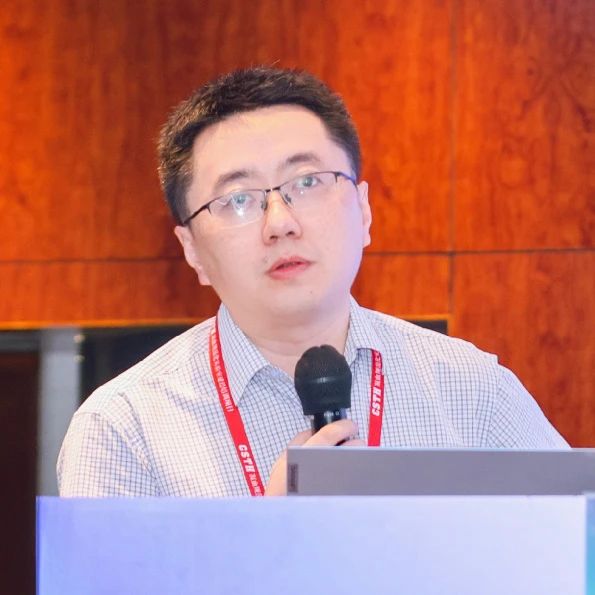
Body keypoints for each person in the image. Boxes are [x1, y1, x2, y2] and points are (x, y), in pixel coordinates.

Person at [58, 67, 568, 497]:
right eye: (238, 199)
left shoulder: (474, 390)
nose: (280, 222)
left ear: (364, 210)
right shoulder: (124, 429)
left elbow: (573, 557)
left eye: (306, 182)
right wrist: (270, 539)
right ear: (192, 249)